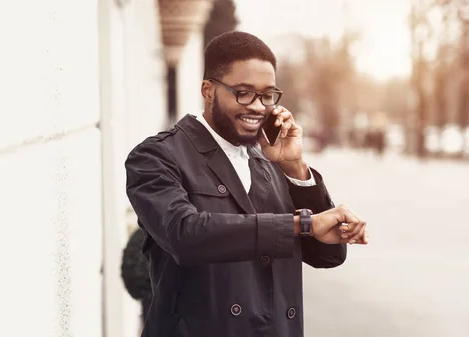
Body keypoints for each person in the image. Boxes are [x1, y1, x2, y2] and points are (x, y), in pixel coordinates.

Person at [124, 31, 368, 337]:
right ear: (208, 90)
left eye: (267, 95)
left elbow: (328, 255)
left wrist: (295, 167)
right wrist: (302, 224)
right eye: (243, 92)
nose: (257, 106)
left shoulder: (271, 159)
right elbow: (183, 235)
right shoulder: (157, 156)